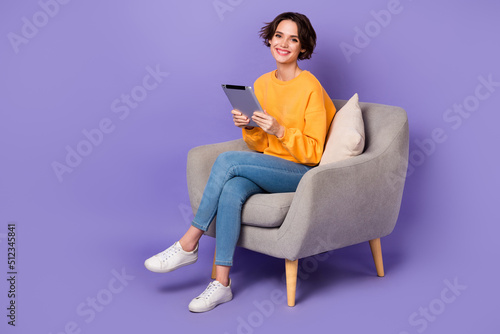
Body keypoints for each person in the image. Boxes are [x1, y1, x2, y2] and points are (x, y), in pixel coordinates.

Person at [144, 12, 336, 313]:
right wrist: (250, 127)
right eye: (279, 36)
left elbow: (313, 153)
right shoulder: (261, 83)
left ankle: (189, 242)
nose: (284, 43)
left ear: (302, 47)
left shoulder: (310, 86)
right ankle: (221, 284)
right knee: (233, 188)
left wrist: (280, 130)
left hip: (304, 173)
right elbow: (259, 146)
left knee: (228, 161)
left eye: (293, 39)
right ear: (270, 39)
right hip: (271, 166)